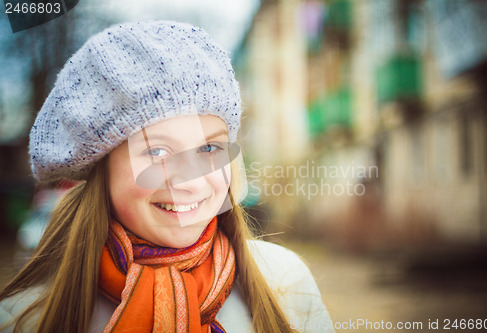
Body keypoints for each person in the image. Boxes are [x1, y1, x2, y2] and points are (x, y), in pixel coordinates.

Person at [0, 21, 333, 333]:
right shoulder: (23, 318)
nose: (190, 181)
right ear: (101, 169)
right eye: (157, 152)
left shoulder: (284, 283)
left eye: (208, 148)